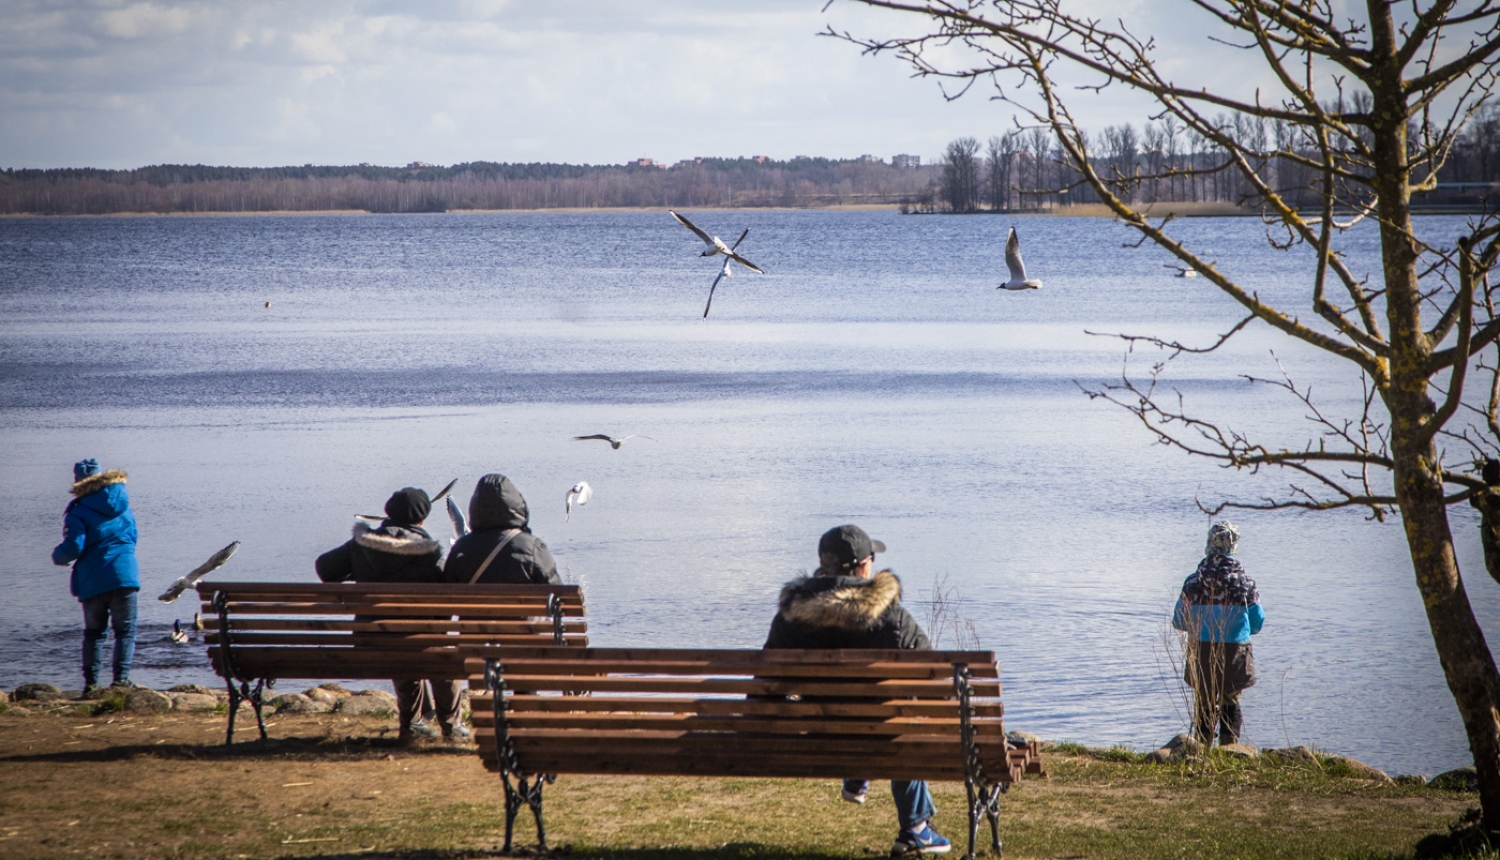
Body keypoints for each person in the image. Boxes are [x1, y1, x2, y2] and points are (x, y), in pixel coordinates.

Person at [764, 524, 950, 856]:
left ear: (823, 562)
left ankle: (856, 772)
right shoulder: (889, 615)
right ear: (864, 565)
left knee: (866, 711)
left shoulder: (791, 616)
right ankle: (916, 828)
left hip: (820, 736)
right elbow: (933, 674)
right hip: (881, 736)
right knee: (904, 713)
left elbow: (765, 683)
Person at [315, 486, 469, 743]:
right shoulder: (431, 554)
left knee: (401, 645)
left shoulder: (360, 544)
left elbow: (325, 569)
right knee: (434, 651)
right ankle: (452, 728)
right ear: (421, 520)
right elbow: (451, 596)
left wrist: (360, 570)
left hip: (371, 641)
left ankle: (413, 724)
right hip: (421, 642)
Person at [52, 458, 141, 696]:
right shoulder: (124, 506)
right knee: (125, 632)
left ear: (78, 482)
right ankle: (121, 681)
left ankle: (92, 685)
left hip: (93, 581)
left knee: (94, 634)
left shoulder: (78, 511)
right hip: (124, 576)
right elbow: (133, 537)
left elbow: (74, 547)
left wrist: (58, 556)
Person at [1172, 520, 1265, 747]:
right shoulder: (1246, 583)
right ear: (1234, 546)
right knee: (1230, 703)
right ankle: (1230, 749)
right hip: (1235, 650)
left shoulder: (1194, 582)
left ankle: (1201, 748)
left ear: (1210, 544)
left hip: (1201, 649)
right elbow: (1257, 623)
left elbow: (1179, 620)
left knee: (1204, 702)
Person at [444, 473, 560, 585]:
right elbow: (557, 594)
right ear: (517, 504)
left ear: (475, 506)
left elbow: (445, 592)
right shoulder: (533, 548)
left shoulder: (459, 550)